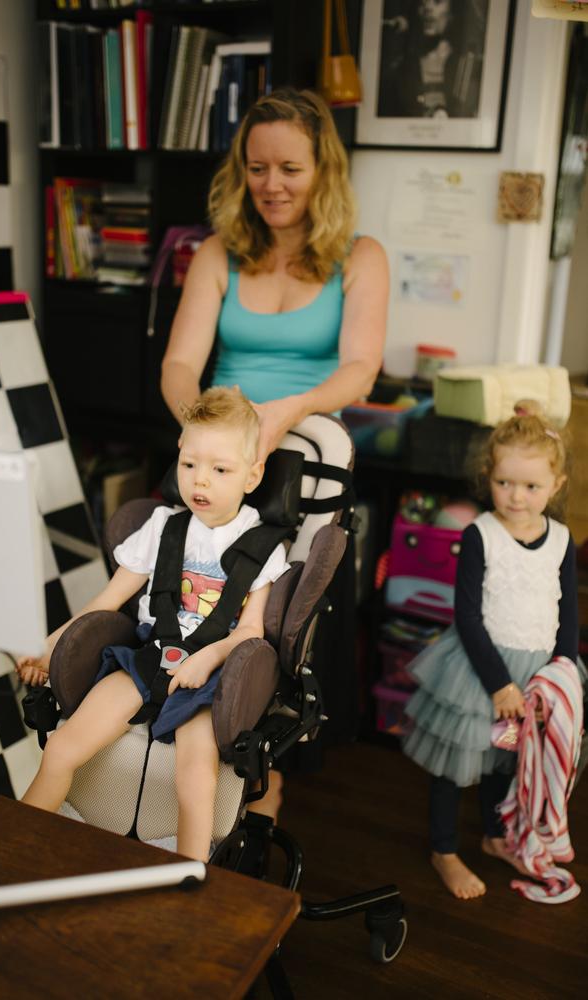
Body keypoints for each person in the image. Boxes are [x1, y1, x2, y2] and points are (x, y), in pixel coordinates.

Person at [161, 87, 388, 814]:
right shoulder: (219, 253)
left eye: (289, 168)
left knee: (281, 619)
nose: (272, 186)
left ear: (323, 167)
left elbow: (359, 369)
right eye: (257, 168)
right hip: (223, 463)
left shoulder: (361, 256)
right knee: (201, 601)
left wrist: (290, 410)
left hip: (307, 459)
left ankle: (264, 763)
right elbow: (177, 367)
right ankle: (179, 737)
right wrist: (212, 434)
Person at [16, 386, 289, 862]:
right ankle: (10, 849)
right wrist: (48, 645)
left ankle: (186, 882)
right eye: (189, 465)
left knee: (194, 779)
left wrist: (208, 658)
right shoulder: (163, 526)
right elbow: (107, 601)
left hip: (211, 678)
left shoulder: (261, 546)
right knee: (61, 749)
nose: (200, 481)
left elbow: (250, 632)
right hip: (148, 657)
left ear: (253, 474)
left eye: (220, 470)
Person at [402, 400, 579, 899]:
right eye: (505, 483)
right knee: (456, 762)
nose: (516, 497)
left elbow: (568, 614)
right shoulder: (482, 534)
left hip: (537, 673)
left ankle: (495, 835)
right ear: (489, 477)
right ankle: (444, 849)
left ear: (556, 486)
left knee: (509, 760)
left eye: (531, 486)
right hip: (481, 668)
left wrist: (561, 674)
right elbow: (467, 615)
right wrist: (499, 684)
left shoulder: (562, 539)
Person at [378, 0, 488, 119]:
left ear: (454, 10)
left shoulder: (471, 65)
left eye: (437, 1)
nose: (427, 8)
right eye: (422, 3)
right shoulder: (402, 67)